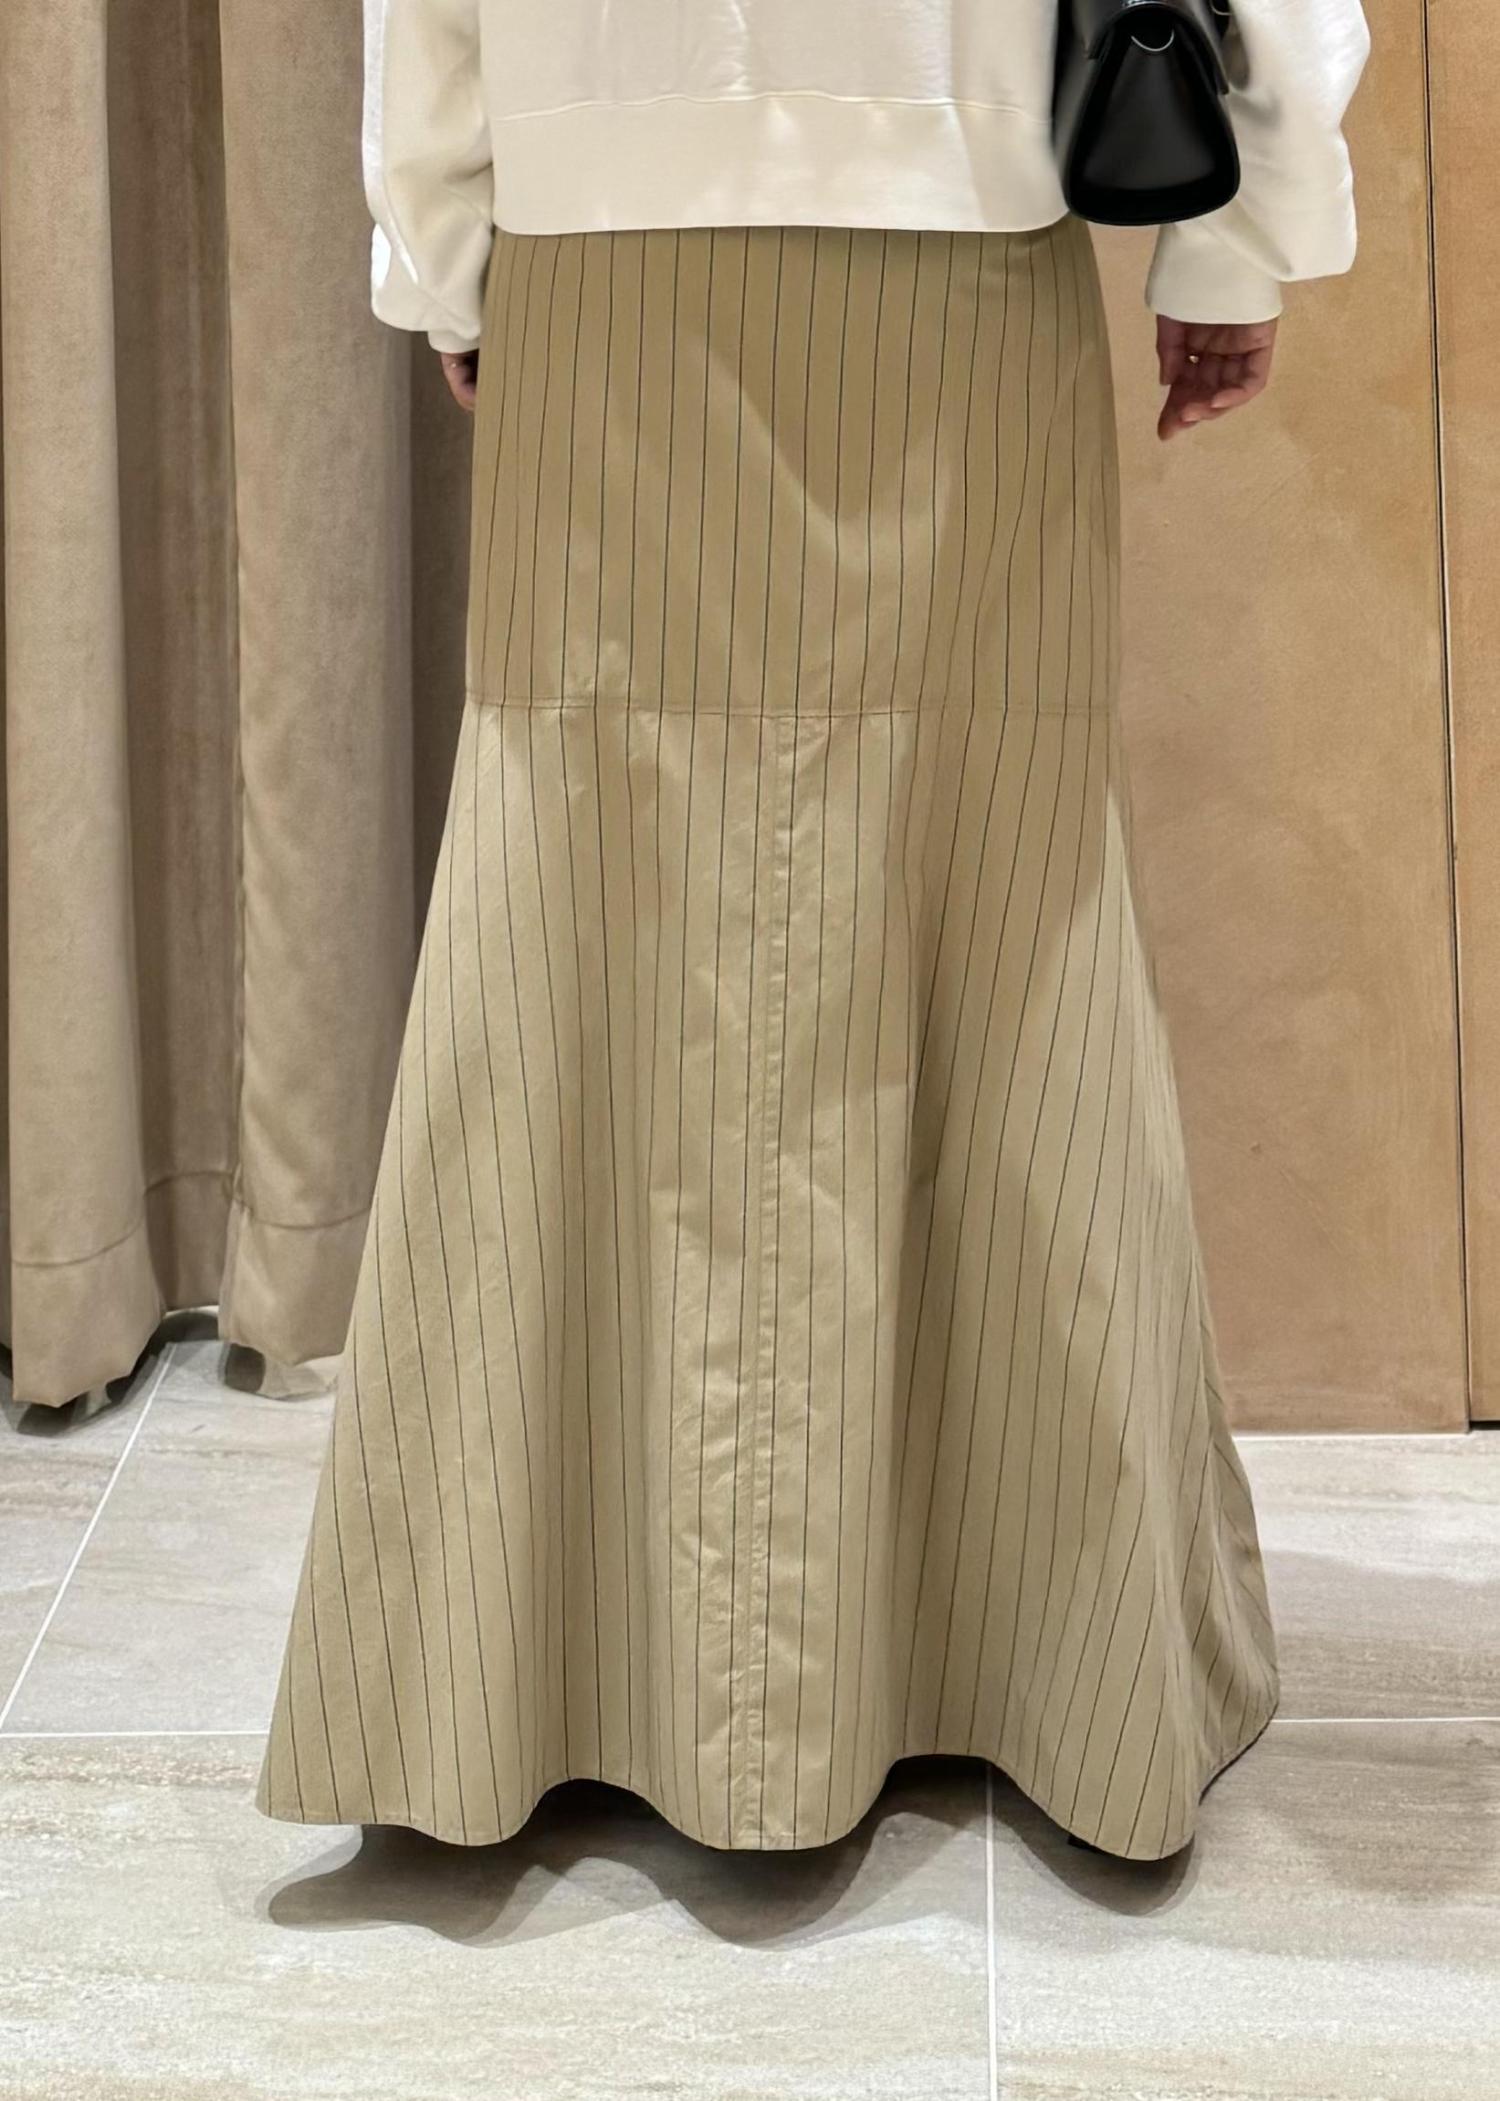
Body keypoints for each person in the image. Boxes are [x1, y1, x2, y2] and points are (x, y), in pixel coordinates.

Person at [255, 0, 1369, 1861]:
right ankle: (1050, 1659)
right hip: (960, 242)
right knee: (997, 902)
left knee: (578, 899)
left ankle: (508, 1670)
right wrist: (1240, 234)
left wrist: (445, 255)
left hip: (605, 262)